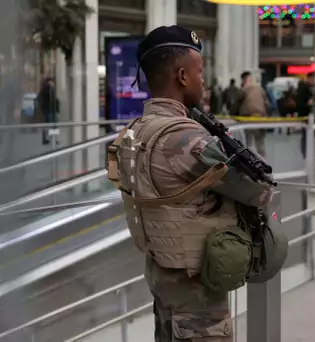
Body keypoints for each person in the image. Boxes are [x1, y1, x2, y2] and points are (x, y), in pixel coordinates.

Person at [105, 25, 274, 342]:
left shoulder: (134, 131)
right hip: (197, 294)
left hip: (164, 279)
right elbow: (259, 191)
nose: (203, 80)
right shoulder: (185, 138)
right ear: (182, 76)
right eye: (200, 71)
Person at [238, 71, 269, 157]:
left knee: (248, 142)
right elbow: (266, 103)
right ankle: (263, 163)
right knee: (260, 143)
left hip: (247, 119)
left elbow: (237, 102)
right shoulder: (260, 88)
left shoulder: (244, 89)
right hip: (260, 118)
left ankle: (250, 162)